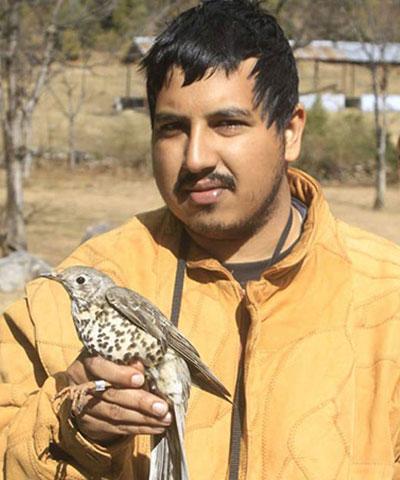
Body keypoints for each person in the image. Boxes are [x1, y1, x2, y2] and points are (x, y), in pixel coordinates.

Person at [1, 0, 400, 478]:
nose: (195, 158)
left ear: (290, 132)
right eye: (171, 128)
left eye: (227, 124)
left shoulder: (387, 298)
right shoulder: (69, 291)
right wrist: (75, 430)